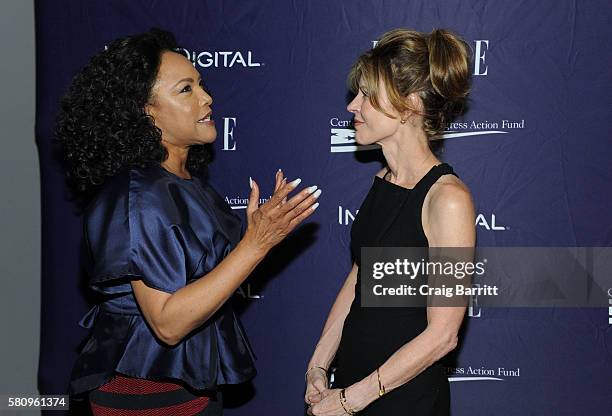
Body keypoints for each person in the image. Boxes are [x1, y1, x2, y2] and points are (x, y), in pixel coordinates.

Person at [57, 28, 321, 415]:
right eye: (185, 89)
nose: (207, 97)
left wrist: (252, 239)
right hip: (147, 398)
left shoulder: (187, 186)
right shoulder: (139, 197)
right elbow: (167, 323)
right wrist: (255, 244)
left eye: (201, 84)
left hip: (189, 390)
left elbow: (208, 286)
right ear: (145, 110)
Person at [305, 28, 475, 415]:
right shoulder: (384, 180)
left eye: (367, 95)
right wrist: (318, 366)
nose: (352, 106)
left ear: (409, 105)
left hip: (403, 400)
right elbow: (360, 278)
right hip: (352, 384)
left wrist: (352, 401)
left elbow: (443, 335)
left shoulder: (447, 199)